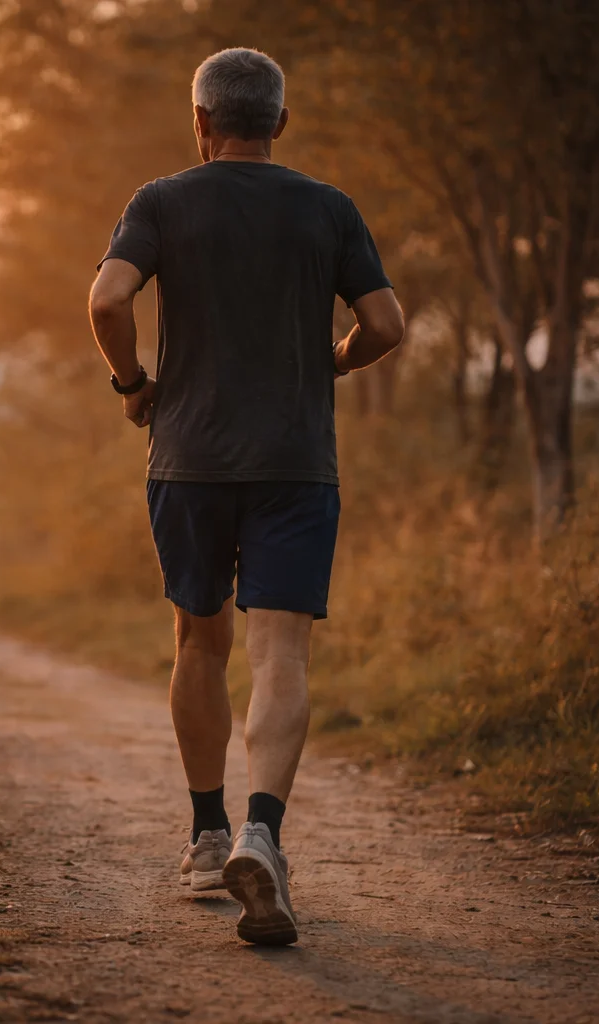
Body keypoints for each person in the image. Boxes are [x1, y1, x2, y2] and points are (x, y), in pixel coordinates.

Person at [87, 46, 405, 946]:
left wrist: (131, 384)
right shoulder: (328, 208)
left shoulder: (161, 201)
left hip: (188, 458)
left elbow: (107, 301)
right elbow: (385, 324)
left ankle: (205, 838)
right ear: (280, 124)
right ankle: (265, 833)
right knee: (282, 654)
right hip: (297, 462)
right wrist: (335, 360)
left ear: (200, 124)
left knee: (199, 638)